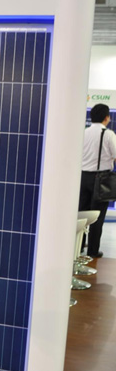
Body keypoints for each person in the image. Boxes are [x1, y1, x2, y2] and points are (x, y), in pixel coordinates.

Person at [79, 103, 116, 258]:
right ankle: (93, 251)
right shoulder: (108, 134)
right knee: (98, 216)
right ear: (106, 118)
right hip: (101, 179)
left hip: (83, 177)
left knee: (82, 214)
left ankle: (79, 246)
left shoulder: (83, 132)